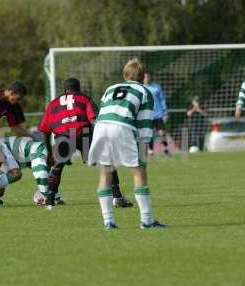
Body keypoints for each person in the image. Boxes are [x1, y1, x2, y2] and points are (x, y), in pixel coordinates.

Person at [88, 58, 166, 230]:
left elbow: (104, 111)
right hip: (122, 126)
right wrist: (144, 146)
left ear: (125, 74)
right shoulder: (145, 91)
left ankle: (108, 221)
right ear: (142, 75)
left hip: (101, 127)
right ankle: (147, 220)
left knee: (105, 173)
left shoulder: (110, 88)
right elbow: (145, 121)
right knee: (138, 171)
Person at [38, 78, 131, 210]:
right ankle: (117, 197)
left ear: (64, 90)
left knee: (57, 167)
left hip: (63, 137)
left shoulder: (52, 104)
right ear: (78, 89)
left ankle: (49, 201)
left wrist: (49, 153)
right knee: (106, 161)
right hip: (84, 135)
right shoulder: (84, 98)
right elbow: (93, 119)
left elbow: (45, 131)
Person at [0, 136, 64, 205]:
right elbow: (41, 174)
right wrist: (49, 197)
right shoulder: (43, 152)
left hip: (8, 150)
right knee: (16, 174)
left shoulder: (48, 154)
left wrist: (57, 198)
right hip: (2, 147)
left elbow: (50, 179)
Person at [143, 71, 170, 156]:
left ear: (150, 77)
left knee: (162, 132)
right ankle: (151, 150)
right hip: (147, 115)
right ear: (143, 78)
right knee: (149, 133)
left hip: (158, 114)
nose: (147, 79)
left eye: (148, 77)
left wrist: (165, 112)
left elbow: (162, 99)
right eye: (145, 77)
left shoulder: (156, 87)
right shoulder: (141, 88)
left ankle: (166, 149)